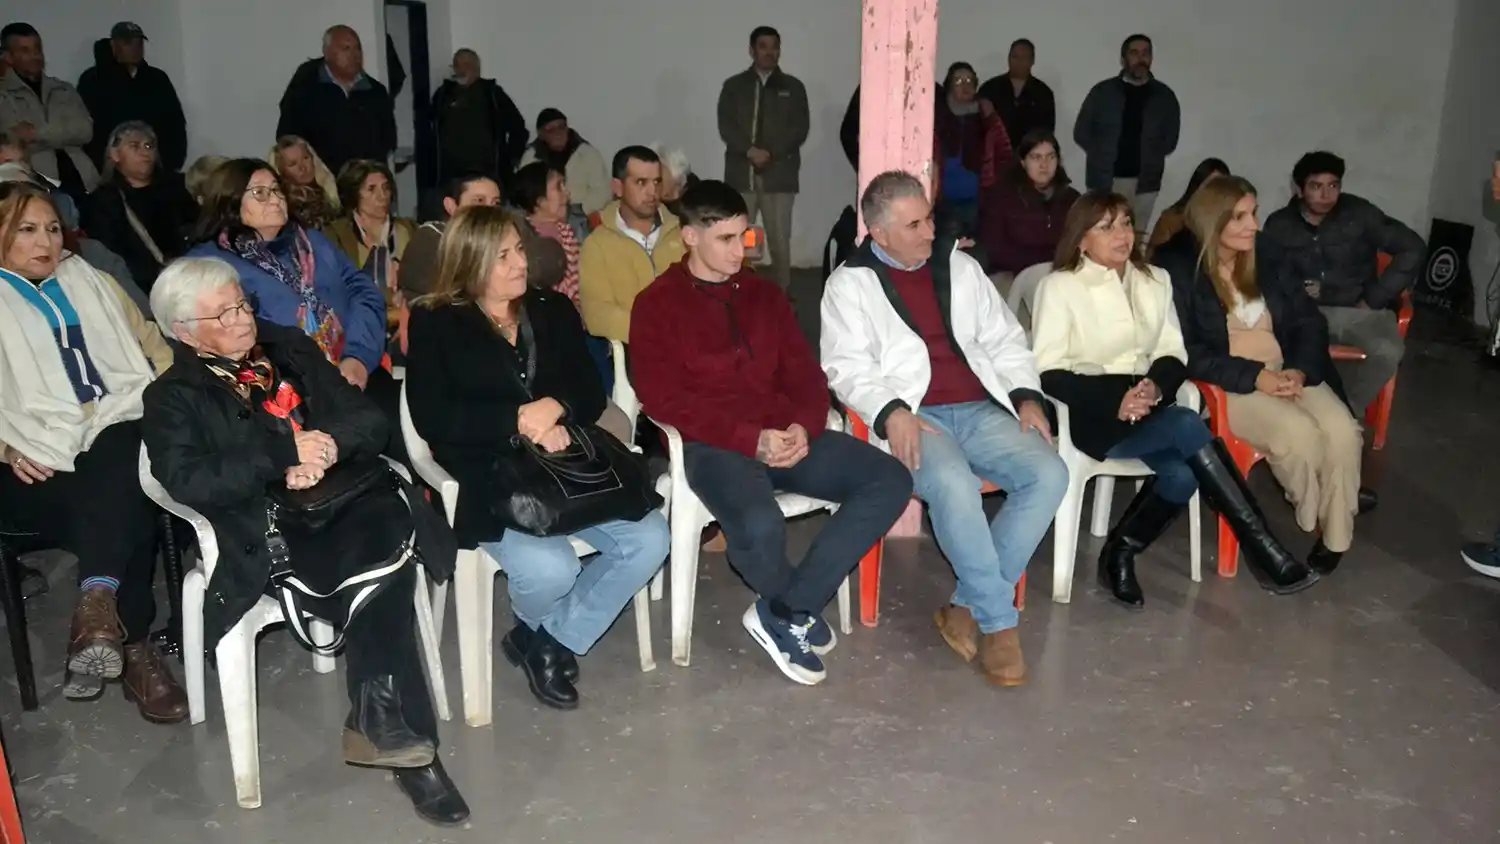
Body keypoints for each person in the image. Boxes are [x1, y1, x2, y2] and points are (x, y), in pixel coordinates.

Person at [141, 257, 468, 826]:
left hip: (345, 500)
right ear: (184, 332)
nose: (245, 319)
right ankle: (405, 744)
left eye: (243, 303)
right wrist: (282, 458)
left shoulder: (288, 348)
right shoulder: (172, 397)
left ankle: (384, 720)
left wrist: (325, 450)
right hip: (269, 529)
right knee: (386, 569)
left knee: (385, 542)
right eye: (226, 313)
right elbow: (187, 479)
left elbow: (367, 419)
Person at [630, 180, 912, 685]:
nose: (740, 250)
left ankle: (785, 611)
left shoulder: (764, 296)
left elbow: (806, 373)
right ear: (690, 237)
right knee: (760, 528)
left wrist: (803, 426)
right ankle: (793, 610)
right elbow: (663, 399)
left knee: (889, 478)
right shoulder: (657, 304)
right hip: (714, 444)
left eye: (745, 237)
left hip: (785, 434)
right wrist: (746, 438)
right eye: (726, 239)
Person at [404, 205, 669, 709]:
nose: (520, 263)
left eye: (519, 250)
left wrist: (556, 408)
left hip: (569, 471)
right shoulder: (436, 321)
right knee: (552, 570)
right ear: (471, 262)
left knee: (652, 538)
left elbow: (591, 390)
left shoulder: (551, 309)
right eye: (502, 256)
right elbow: (434, 418)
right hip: (491, 478)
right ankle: (547, 637)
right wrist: (519, 423)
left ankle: (544, 639)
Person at [821, 171, 1067, 687]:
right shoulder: (850, 284)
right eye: (914, 225)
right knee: (954, 486)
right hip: (915, 415)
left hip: (980, 407)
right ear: (880, 233)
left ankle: (964, 607)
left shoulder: (960, 268)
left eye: (929, 218)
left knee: (1049, 473)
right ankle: (1000, 625)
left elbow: (1005, 339)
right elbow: (846, 367)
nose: (930, 232)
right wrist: (891, 412)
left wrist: (1026, 397)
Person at [1030, 191, 1317, 606]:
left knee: (1181, 477)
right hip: (1093, 413)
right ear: (1080, 239)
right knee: (1186, 424)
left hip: (1150, 405)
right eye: (1106, 227)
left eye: (1127, 223)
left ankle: (1120, 553)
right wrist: (1116, 401)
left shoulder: (1154, 280)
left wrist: (1155, 387)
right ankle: (1265, 551)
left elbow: (1172, 352)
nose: (1122, 235)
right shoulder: (1060, 287)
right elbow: (1048, 371)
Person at [0, 180, 184, 721]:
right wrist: (7, 448)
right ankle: (132, 643)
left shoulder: (94, 281)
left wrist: (173, 407)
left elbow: (155, 351)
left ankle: (100, 610)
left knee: (126, 441)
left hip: (114, 441)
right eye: (26, 230)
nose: (46, 243)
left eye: (53, 229)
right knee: (126, 484)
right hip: (31, 466)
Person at [1158, 175, 1358, 574]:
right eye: (1240, 217)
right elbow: (1187, 351)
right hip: (1229, 382)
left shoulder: (1266, 252)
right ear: (1214, 222)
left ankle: (1336, 537)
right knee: (1299, 435)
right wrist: (1256, 377)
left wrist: (1299, 369)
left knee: (1343, 432)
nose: (1253, 225)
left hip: (1286, 369)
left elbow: (1307, 320)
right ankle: (1312, 508)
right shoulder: (1177, 265)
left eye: (1254, 213)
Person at [186, 159, 387, 399]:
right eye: (260, 192)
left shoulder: (312, 242)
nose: (275, 198)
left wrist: (358, 358)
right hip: (281, 394)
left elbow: (365, 292)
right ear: (231, 202)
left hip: (354, 367)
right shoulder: (210, 266)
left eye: (277, 189)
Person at [1260, 151, 1426, 413]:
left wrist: (1374, 298)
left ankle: (1346, 412)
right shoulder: (1279, 225)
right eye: (1316, 186)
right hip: (1304, 313)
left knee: (1388, 351)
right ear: (1299, 189)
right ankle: (1299, 414)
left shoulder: (1360, 214)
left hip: (1358, 311)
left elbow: (1412, 248)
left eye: (1333, 186)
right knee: (1269, 349)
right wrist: (1294, 290)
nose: (1326, 196)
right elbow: (1265, 272)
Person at [717, 25, 809, 292]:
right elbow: (726, 126)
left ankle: (783, 293)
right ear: (751, 50)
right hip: (740, 175)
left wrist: (771, 154)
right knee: (739, 238)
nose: (769, 52)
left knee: (779, 240)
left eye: (774, 47)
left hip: (779, 177)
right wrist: (749, 151)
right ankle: (736, 289)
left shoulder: (793, 87)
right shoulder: (734, 87)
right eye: (763, 46)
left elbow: (799, 129)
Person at [1072, 34, 1180, 235]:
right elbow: (1081, 132)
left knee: (1136, 239)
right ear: (1123, 59)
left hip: (1146, 182)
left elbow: (1170, 140)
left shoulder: (1164, 96)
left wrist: (1151, 156)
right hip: (1106, 180)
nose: (1141, 58)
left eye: (1146, 53)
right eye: (1134, 53)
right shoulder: (1102, 92)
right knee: (1103, 235)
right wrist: (1100, 155)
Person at [577, 146, 686, 343]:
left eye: (657, 182)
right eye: (641, 183)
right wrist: (656, 332)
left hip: (692, 347)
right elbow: (597, 314)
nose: (652, 192)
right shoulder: (597, 244)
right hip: (638, 350)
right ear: (618, 187)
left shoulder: (683, 233)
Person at [82, 122, 197, 294]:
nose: (145, 152)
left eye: (149, 146)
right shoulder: (103, 200)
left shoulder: (178, 187)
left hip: (191, 273)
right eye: (134, 146)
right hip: (140, 287)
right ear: (115, 154)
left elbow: (199, 228)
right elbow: (110, 255)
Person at [276, 26, 396, 177]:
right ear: (327, 53)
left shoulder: (375, 91)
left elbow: (389, 139)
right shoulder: (305, 87)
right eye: (346, 48)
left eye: (358, 48)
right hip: (321, 183)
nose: (355, 55)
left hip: (363, 183)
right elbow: (288, 136)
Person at [0, 23, 98, 202]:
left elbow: (85, 130)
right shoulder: (4, 96)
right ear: (8, 57)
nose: (35, 56)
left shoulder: (63, 89)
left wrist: (36, 133)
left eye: (38, 49)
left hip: (87, 183)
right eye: (25, 50)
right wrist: (64, 132)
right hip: (38, 188)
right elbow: (14, 142)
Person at [76, 22, 188, 173]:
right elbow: (87, 127)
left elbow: (175, 123)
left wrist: (170, 162)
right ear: (113, 45)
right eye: (128, 43)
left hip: (157, 168)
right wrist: (102, 165)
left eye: (139, 43)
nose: (136, 48)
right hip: (112, 170)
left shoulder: (157, 79)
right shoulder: (93, 80)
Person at [978, 130, 1079, 291]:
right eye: (1036, 157)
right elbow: (994, 248)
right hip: (1012, 273)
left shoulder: (1071, 199)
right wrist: (1044, 262)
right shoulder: (1001, 196)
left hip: (1060, 273)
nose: (1044, 164)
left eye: (1050, 157)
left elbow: (1079, 243)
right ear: (1023, 162)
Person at [934, 62, 1013, 246]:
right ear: (949, 85)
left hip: (979, 202)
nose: (965, 84)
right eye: (959, 80)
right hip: (942, 202)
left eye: (970, 80)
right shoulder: (937, 114)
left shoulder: (987, 114)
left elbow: (1004, 152)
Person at [325, 158, 415, 310]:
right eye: (371, 189)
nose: (382, 196)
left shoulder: (409, 229)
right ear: (354, 195)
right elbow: (335, 286)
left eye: (386, 188)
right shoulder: (335, 235)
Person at [431, 48, 527, 187]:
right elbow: (428, 130)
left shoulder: (492, 93)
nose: (462, 69)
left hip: (488, 175)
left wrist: (510, 160)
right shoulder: (442, 95)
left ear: (477, 68)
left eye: (467, 65)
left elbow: (518, 128)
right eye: (458, 65)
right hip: (450, 178)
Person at [399, 172, 500, 299]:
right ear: (451, 206)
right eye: (479, 201)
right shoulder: (431, 239)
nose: (490, 211)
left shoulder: (501, 240)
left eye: (495, 203)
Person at [519, 108, 610, 219]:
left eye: (561, 127)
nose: (558, 133)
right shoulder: (530, 158)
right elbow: (524, 194)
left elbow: (603, 191)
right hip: (543, 216)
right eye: (550, 130)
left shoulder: (588, 153)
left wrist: (579, 210)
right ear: (541, 134)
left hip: (583, 217)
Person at [513, 161, 580, 306]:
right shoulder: (521, 238)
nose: (567, 193)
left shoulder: (567, 231)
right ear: (540, 201)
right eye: (558, 187)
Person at [978, 39, 1056, 145]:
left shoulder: (1043, 93)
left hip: (1029, 155)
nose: (1018, 61)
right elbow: (977, 125)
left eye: (1024, 57)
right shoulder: (990, 88)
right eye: (1014, 57)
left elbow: (1046, 132)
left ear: (1032, 61)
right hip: (995, 154)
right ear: (1008, 58)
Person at [1146, 157, 1229, 257]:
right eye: (1208, 185)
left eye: (1218, 186)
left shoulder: (1230, 221)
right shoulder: (1172, 218)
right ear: (1197, 186)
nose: (1212, 192)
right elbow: (1152, 257)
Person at [269, 135, 340, 230]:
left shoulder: (331, 190)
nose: (302, 167)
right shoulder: (288, 207)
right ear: (281, 172)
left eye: (306, 158)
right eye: (292, 164)